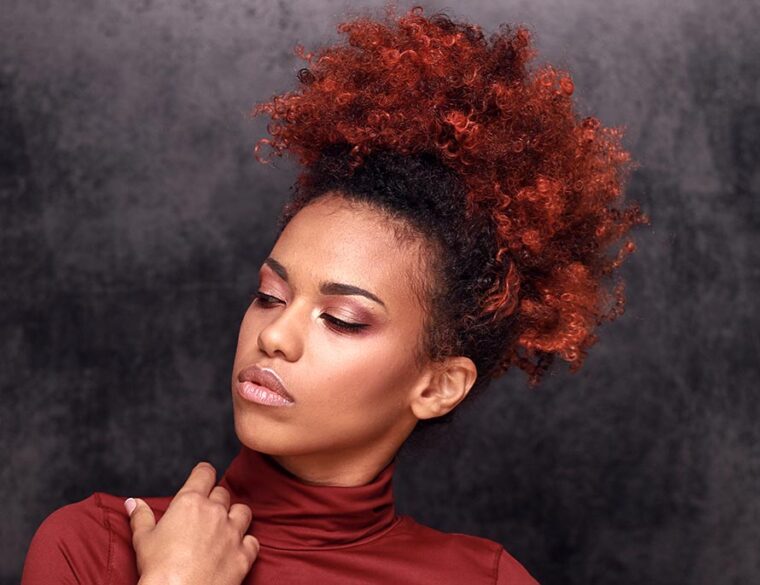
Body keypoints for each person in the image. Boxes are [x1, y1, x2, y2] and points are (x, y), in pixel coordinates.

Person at [20, 4, 648, 584]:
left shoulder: (484, 578)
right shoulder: (99, 546)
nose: (274, 335)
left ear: (436, 386)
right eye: (270, 295)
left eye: (342, 319)